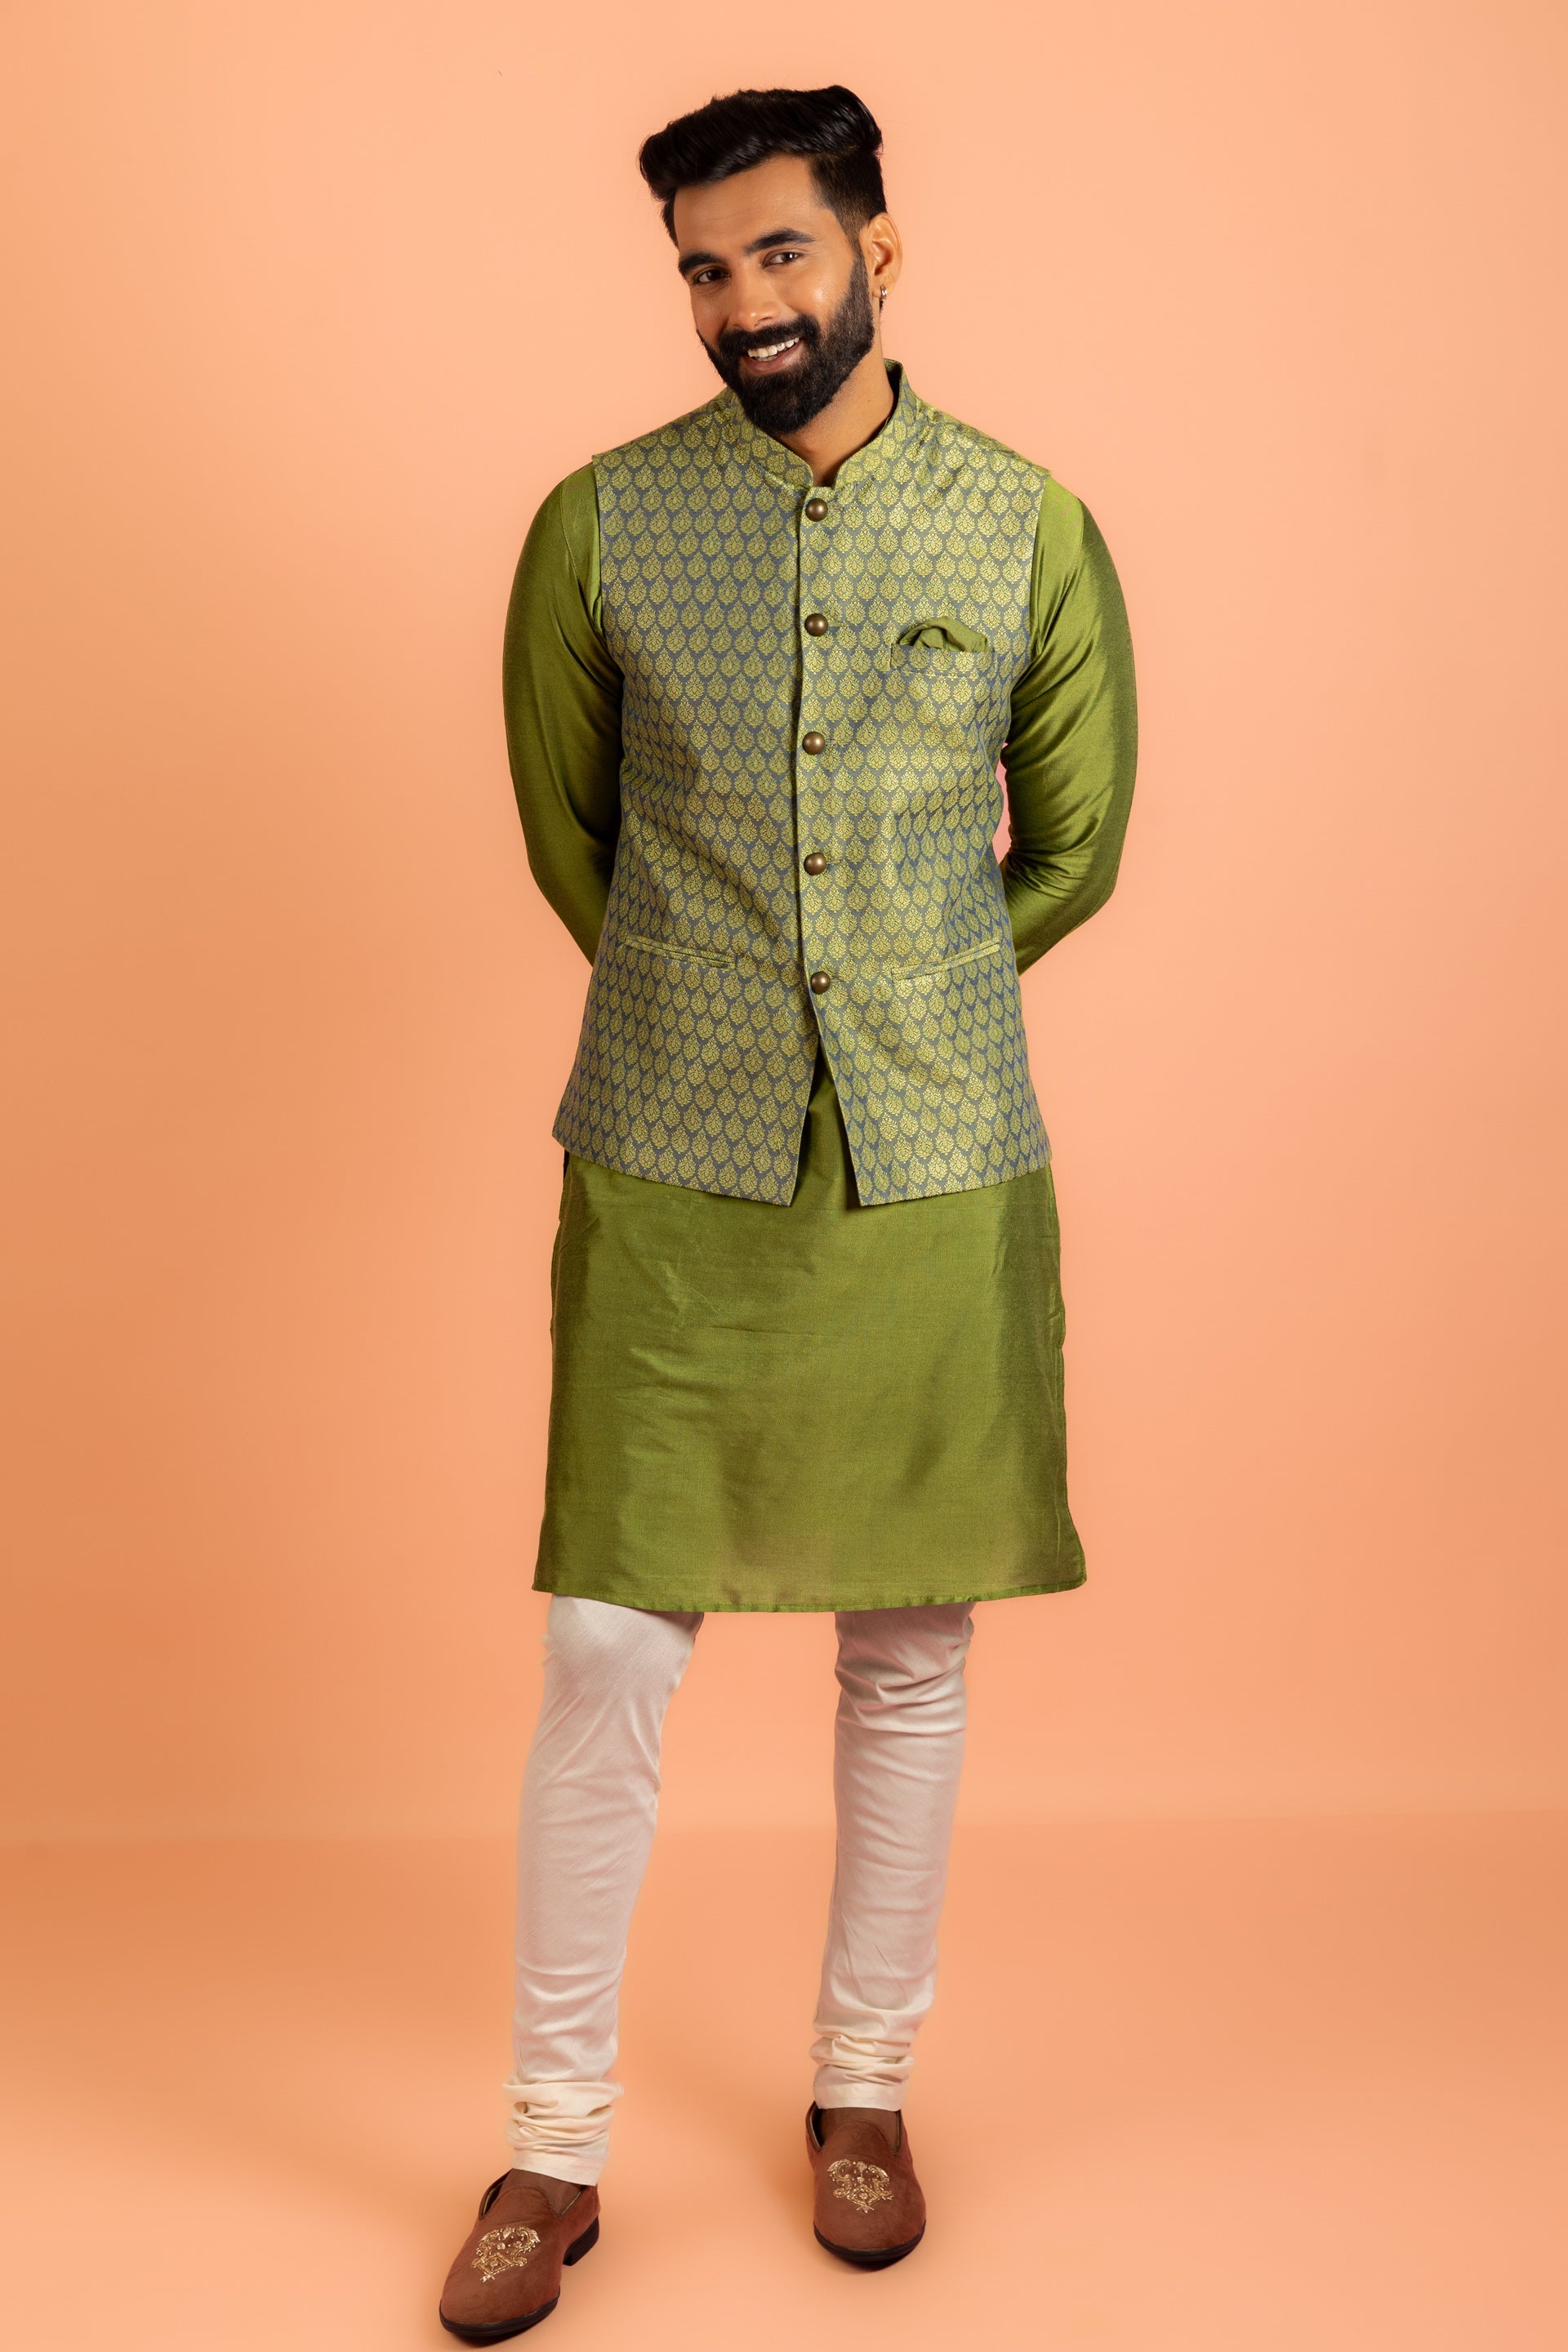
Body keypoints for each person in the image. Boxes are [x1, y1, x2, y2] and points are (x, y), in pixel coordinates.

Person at [438, 82, 1137, 2341]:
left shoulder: (1026, 525)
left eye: (780, 254)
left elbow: (1079, 843)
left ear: (875, 249)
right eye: (705, 269)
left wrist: (901, 995)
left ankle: (864, 2090)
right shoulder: (603, 525)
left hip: (938, 1159)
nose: (744, 303)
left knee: (910, 1646)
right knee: (603, 1646)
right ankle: (553, 2144)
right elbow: (570, 830)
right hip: (671, 1144)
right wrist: (716, 1003)